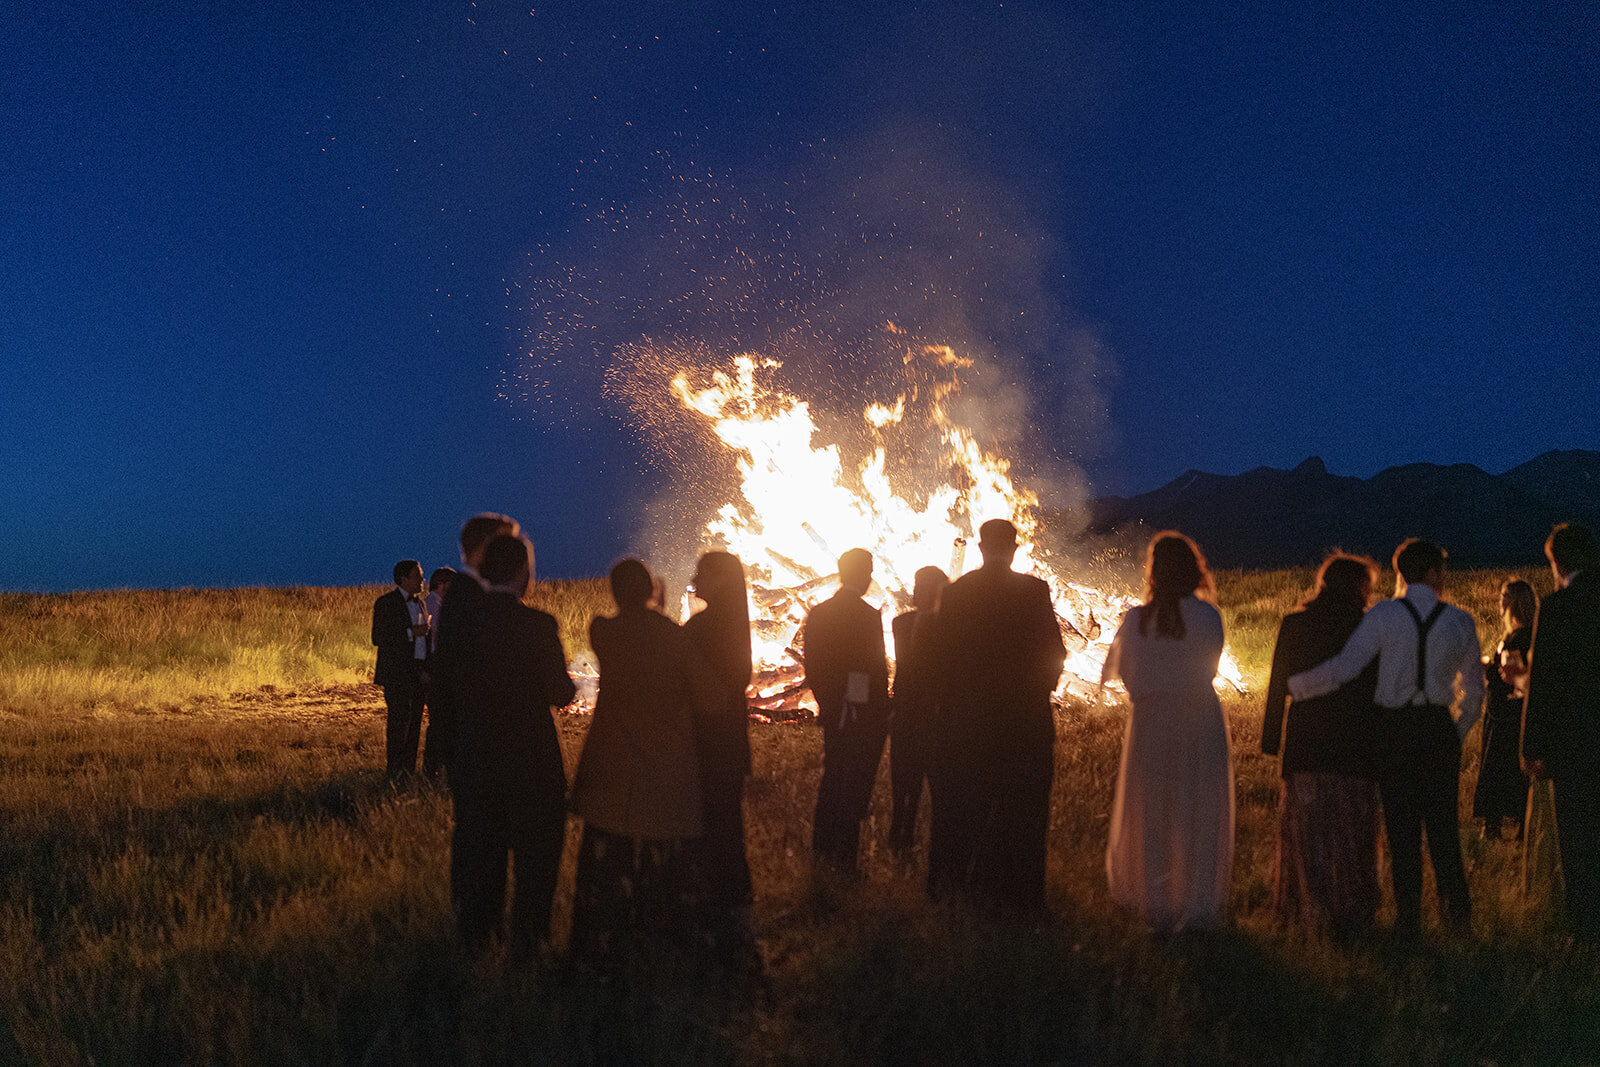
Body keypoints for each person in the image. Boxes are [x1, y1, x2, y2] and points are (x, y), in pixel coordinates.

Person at [1289, 538, 1483, 937]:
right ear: (1433, 573)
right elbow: (1475, 695)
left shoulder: (1382, 615)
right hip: (1437, 728)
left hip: (1395, 731)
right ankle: (1458, 918)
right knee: (1444, 828)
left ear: (1400, 572)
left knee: (1401, 830)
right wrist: (1456, 733)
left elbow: (1344, 669)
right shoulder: (1460, 620)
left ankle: (1408, 920)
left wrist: (1296, 686)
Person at [435, 532, 575, 958]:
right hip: (532, 763)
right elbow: (560, 692)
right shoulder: (537, 624)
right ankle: (527, 945)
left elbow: (444, 691)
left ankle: (478, 942)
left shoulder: (461, 625)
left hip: (476, 759)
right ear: (523, 575)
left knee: (480, 855)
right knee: (536, 862)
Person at [569, 559, 709, 966]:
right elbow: (704, 691)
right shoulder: (675, 637)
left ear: (614, 593)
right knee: (658, 853)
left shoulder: (603, 630)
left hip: (611, 764)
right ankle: (656, 941)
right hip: (663, 763)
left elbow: (628, 629)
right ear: (652, 590)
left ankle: (600, 948)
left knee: (606, 860)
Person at [1102, 531, 1234, 931]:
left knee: (1152, 809)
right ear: (1194, 569)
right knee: (1197, 808)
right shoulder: (1209, 616)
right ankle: (1195, 902)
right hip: (1199, 718)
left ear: (1154, 572)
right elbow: (1210, 668)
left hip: (1152, 721)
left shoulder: (1136, 620)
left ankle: (1154, 900)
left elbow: (1124, 674)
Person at [931, 520, 1066, 914]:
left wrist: (952, 705)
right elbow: (1053, 651)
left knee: (965, 807)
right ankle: (1020, 896)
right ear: (1014, 548)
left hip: (967, 723)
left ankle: (961, 891)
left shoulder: (955, 593)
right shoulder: (1033, 590)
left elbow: (939, 657)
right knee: (1023, 811)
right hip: (1024, 723)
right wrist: (1039, 692)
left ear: (979, 546)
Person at [1261, 553, 1383, 936]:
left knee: (1307, 827)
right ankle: (1351, 906)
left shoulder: (1295, 624)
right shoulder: (1367, 628)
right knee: (1351, 827)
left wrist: (1270, 739)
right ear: (1361, 588)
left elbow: (1278, 683)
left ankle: (1306, 906)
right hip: (1357, 741)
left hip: (1307, 740)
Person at [1516, 522, 1600, 939]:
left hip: (1578, 742)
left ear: (1557, 563)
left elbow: (1542, 682)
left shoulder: (1558, 608)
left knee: (1580, 836)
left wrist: (1532, 745)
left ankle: (1586, 929)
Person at [682, 550, 760, 969]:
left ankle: (711, 908)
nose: (694, 579)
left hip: (706, 743)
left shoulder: (704, 628)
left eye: (701, 573)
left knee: (709, 825)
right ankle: (732, 904)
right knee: (726, 824)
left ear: (720, 580)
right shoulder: (735, 626)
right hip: (729, 743)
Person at [802, 548, 891, 876]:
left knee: (833, 777)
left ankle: (823, 854)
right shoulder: (867, 615)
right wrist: (877, 711)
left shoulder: (819, 613)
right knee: (854, 785)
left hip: (834, 710)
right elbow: (874, 669)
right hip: (863, 715)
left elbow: (813, 664)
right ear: (865, 574)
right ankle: (844, 861)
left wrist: (829, 703)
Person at [428, 514, 520, 775]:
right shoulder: (466, 597)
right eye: (507, 544)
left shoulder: (473, 592)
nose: (514, 553)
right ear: (485, 548)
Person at [888, 565, 949, 854]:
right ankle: (898, 839)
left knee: (940, 790)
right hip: (905, 716)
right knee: (902, 785)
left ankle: (940, 847)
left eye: (922, 586)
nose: (915, 591)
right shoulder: (901, 623)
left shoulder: (952, 628)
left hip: (937, 719)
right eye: (915, 585)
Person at [1471, 578, 1536, 839]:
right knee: (1512, 770)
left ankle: (1495, 826)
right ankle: (1518, 826)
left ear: (1510, 604)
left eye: (1502, 600)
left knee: (1497, 767)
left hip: (1506, 713)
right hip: (1515, 712)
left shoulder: (1517, 637)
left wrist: (1491, 670)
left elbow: (1513, 676)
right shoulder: (1528, 634)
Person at [371, 559, 430, 781]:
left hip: (418, 672)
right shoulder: (386, 603)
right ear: (404, 579)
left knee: (415, 723)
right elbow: (378, 637)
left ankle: (408, 771)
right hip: (397, 674)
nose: (423, 580)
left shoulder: (421, 604)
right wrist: (409, 633)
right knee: (398, 724)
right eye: (418, 576)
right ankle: (394, 771)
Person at [420, 566, 457, 780]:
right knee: (440, 720)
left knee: (441, 720)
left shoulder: (437, 604)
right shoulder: (434, 605)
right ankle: (433, 768)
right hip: (436, 666)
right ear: (442, 585)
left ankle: (436, 767)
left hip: (437, 665)